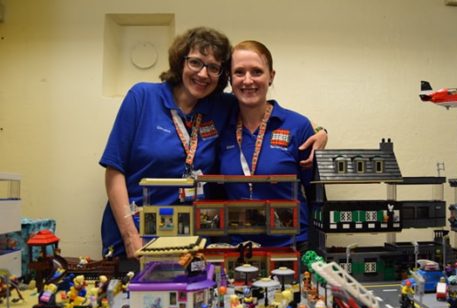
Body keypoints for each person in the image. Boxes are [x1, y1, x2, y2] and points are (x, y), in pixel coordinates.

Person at [100, 28, 327, 260]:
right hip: (136, 232)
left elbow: (263, 109)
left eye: (213, 67)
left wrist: (320, 132)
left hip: (192, 240)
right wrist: (130, 236)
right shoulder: (143, 97)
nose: (203, 74)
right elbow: (114, 169)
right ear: (181, 62)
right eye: (196, 62)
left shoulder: (219, 107)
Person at [219, 40, 315, 249]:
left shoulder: (297, 126)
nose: (248, 80)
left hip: (292, 246)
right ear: (230, 78)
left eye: (256, 71)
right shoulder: (221, 129)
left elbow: (315, 192)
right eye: (239, 72)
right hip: (239, 248)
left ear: (271, 76)